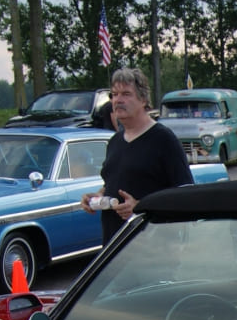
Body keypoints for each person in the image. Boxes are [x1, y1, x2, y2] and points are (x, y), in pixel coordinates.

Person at [82, 68, 192, 242]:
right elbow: (113, 183)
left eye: (126, 94)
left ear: (143, 100)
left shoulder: (164, 139)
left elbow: (185, 195)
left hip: (152, 247)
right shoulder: (115, 141)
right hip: (114, 246)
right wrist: (98, 196)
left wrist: (140, 206)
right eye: (114, 94)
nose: (118, 100)